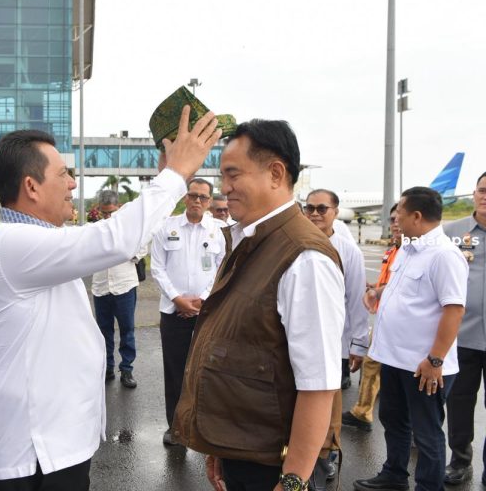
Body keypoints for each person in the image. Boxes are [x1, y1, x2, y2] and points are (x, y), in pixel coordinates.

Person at [0, 107, 221, 490]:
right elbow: (115, 239)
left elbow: (126, 244)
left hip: (57, 443)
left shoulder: (40, 242)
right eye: (63, 175)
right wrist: (177, 175)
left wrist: (162, 180)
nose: (73, 184)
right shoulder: (15, 244)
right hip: (33, 452)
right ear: (31, 186)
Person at [172, 119, 345, 491]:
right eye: (222, 175)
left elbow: (319, 384)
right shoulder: (252, 241)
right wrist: (217, 445)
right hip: (243, 452)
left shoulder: (305, 259)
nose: (224, 188)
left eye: (233, 174)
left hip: (274, 468)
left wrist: (294, 480)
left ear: (276, 173)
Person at [354, 186, 468, 491]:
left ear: (416, 216)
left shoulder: (444, 256)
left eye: (399, 214)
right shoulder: (407, 247)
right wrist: (378, 293)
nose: (394, 220)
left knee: (427, 433)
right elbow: (405, 290)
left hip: (423, 365)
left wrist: (435, 360)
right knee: (394, 421)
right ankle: (394, 474)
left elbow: (454, 310)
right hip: (393, 358)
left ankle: (429, 486)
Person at [150, 177, 226, 446]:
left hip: (206, 314)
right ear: (185, 198)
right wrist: (178, 299)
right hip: (173, 312)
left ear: (209, 202)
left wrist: (202, 301)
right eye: (193, 195)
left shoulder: (218, 231)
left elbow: (221, 269)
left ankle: (204, 426)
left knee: (206, 370)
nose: (197, 201)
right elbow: (157, 267)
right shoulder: (166, 227)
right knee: (175, 371)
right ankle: (176, 427)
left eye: (203, 197)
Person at [443, 172, 486, 485]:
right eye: (482, 191)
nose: (485, 197)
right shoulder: (452, 233)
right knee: (459, 402)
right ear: (474, 194)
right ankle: (460, 460)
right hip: (463, 335)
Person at [342, 204, 401, 432]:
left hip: (403, 321)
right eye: (392, 219)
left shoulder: (414, 250)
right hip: (386, 317)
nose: (394, 223)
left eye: (399, 218)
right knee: (372, 363)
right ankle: (363, 411)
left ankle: (415, 426)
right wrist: (376, 288)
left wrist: (379, 290)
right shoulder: (394, 249)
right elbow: (391, 282)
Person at [304, 189, 370, 391]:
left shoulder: (349, 252)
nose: (315, 214)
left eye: (322, 208)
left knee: (329, 401)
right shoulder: (292, 244)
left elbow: (357, 297)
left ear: (336, 212)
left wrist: (359, 344)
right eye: (310, 208)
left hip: (333, 340)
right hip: (298, 338)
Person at [91, 190, 147, 389]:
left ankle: (127, 369)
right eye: (105, 213)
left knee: (127, 330)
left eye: (111, 212)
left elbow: (139, 252)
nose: (108, 217)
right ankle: (107, 367)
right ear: (99, 210)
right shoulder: (94, 229)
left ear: (120, 208)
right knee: (103, 331)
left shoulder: (130, 229)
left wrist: (121, 248)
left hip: (124, 285)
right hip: (101, 287)